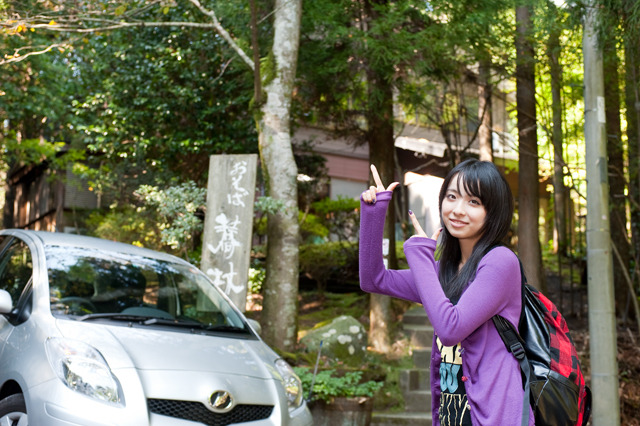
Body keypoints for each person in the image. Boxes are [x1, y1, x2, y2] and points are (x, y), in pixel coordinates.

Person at [359, 159, 534, 426]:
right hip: (453, 414)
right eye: (451, 197)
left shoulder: (501, 262)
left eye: (473, 202)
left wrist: (420, 254)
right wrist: (374, 211)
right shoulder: (444, 272)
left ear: (493, 212)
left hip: (497, 416)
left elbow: (450, 329)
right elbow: (374, 279)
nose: (458, 210)